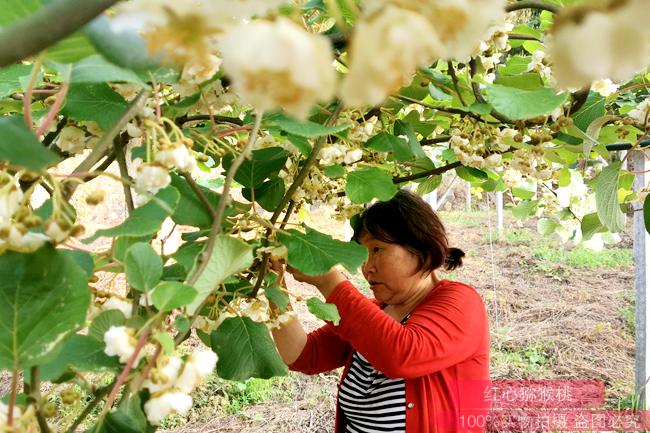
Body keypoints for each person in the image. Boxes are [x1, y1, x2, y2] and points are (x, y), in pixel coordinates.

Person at [271, 189, 490, 433]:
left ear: (423, 249)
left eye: (377, 250)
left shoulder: (461, 302)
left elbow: (403, 355)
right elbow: (303, 355)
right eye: (363, 254)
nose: (367, 268)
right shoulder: (374, 314)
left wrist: (329, 282)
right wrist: (273, 286)